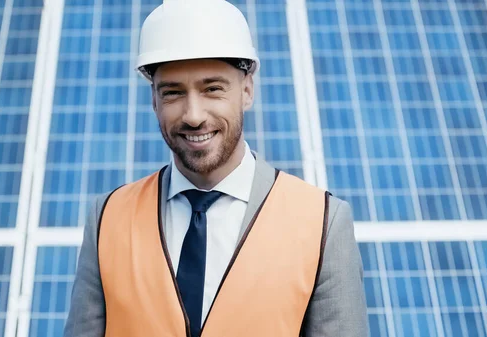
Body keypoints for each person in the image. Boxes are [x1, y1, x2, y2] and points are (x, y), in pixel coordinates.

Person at [63, 0, 368, 336]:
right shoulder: (107, 218)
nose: (193, 115)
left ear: (247, 90)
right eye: (173, 93)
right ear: (153, 99)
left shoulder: (323, 222)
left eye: (212, 89)